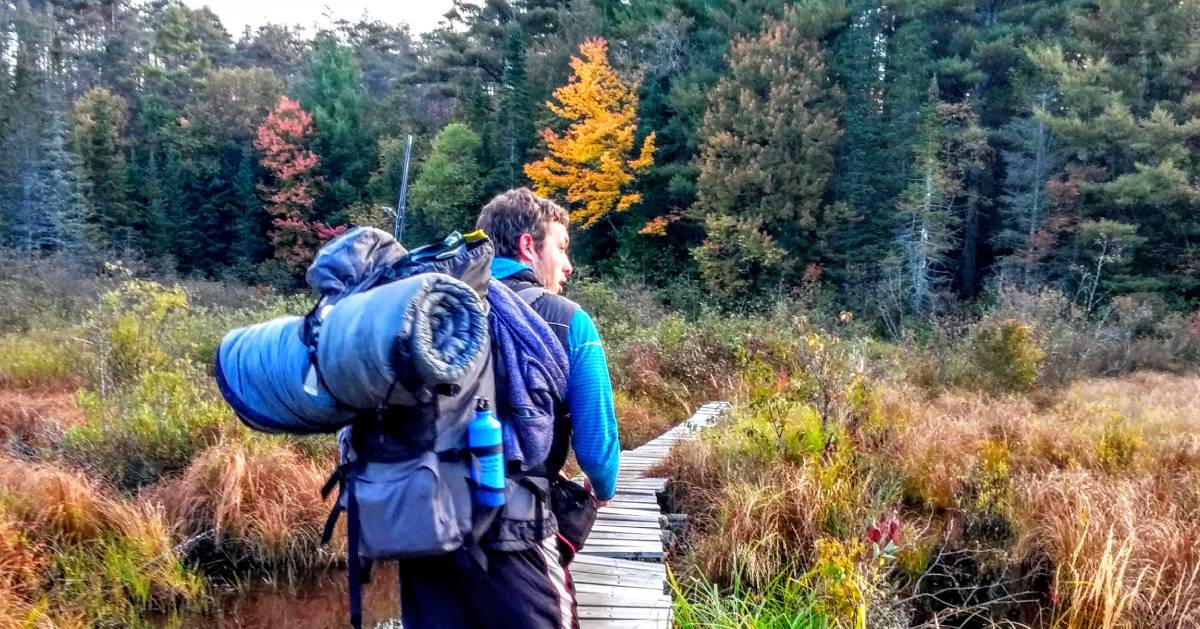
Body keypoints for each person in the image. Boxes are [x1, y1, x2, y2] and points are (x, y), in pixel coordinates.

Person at [397, 188, 620, 629]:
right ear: (526, 246)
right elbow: (597, 451)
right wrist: (602, 488)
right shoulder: (569, 320)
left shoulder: (431, 311)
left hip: (423, 527)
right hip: (513, 532)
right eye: (561, 248)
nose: (567, 265)